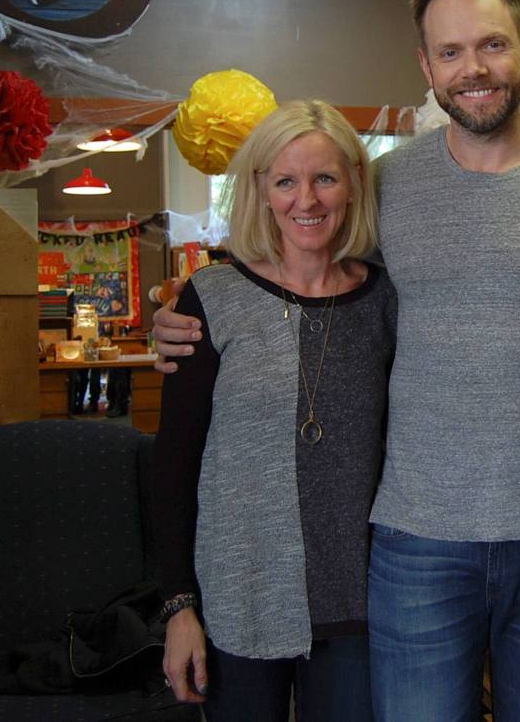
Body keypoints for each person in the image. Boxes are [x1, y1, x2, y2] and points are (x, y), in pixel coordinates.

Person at [154, 0, 520, 721]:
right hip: (414, 541)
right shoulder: (388, 187)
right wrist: (194, 304)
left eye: (490, 45)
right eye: (450, 52)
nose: (472, 69)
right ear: (426, 65)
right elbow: (301, 262)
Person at [153, 100, 396, 721]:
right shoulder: (212, 298)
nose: (305, 200)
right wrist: (178, 606)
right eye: (285, 180)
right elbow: (174, 467)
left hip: (357, 603)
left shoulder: (387, 299)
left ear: (353, 185)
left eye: (324, 178)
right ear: (261, 190)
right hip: (238, 599)